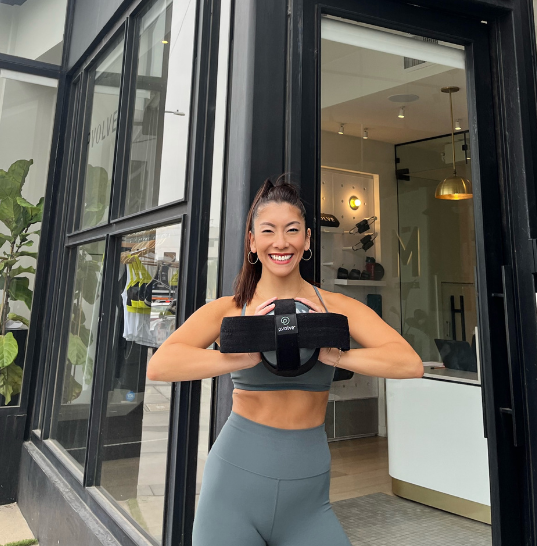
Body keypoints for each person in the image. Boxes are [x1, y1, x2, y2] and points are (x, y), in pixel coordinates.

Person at [146, 177, 424, 546]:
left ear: (307, 239)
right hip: (234, 490)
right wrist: (238, 355)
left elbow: (409, 362)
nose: (281, 242)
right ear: (252, 241)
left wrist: (337, 355)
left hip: (308, 501)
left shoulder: (334, 308)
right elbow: (162, 364)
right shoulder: (231, 310)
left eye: (292, 230)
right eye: (268, 231)